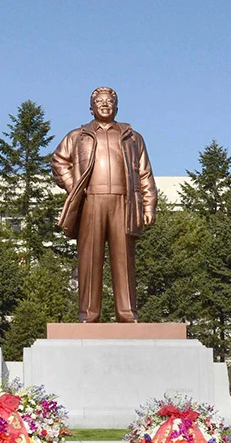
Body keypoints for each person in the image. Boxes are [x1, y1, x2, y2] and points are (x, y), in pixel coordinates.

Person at [52, 87, 157, 322]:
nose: (105, 104)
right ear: (91, 108)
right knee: (89, 258)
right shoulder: (77, 136)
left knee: (124, 259)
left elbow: (145, 173)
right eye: (99, 101)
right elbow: (58, 161)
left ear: (116, 107)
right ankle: (88, 314)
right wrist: (74, 186)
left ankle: (127, 312)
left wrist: (149, 206)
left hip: (124, 201)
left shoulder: (133, 137)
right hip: (91, 201)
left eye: (109, 101)